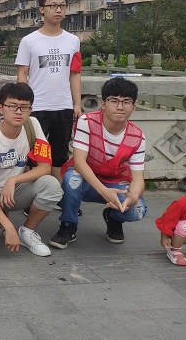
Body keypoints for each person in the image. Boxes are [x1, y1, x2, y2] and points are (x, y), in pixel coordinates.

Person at [50, 77, 147, 249]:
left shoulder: (138, 137)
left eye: (126, 102)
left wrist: (133, 197)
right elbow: (79, 162)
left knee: (137, 211)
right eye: (114, 101)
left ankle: (114, 218)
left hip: (115, 182)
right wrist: (104, 191)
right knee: (72, 180)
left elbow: (138, 178)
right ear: (103, 104)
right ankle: (68, 224)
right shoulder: (87, 122)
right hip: (86, 179)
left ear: (134, 107)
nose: (120, 106)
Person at [0, 82, 62, 257]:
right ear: (0, 108)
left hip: (15, 191)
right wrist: (9, 227)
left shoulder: (32, 125)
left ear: (30, 109)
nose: (19, 112)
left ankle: (27, 232)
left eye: (24, 107)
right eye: (12, 106)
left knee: (51, 185)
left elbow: (45, 168)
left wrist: (13, 180)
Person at [16, 0, 81, 182]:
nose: (58, 10)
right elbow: (22, 74)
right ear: (42, 9)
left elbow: (75, 74)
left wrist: (77, 103)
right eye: (53, 5)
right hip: (37, 106)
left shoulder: (73, 41)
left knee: (60, 154)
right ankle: (32, 193)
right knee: (33, 155)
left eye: (62, 6)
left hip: (63, 105)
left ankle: (57, 193)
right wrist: (24, 104)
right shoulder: (29, 41)